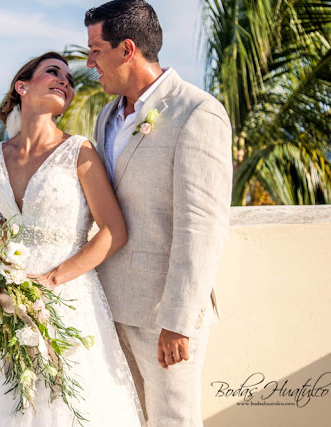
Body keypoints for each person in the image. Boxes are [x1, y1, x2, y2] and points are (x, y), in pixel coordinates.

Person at [0, 52, 145, 426]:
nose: (65, 80)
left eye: (68, 78)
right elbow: (11, 230)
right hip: (12, 299)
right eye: (53, 72)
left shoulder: (79, 151)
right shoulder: (0, 155)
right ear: (22, 86)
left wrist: (52, 280)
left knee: (70, 403)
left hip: (67, 296)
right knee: (10, 399)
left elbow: (114, 231)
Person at [84, 1, 233, 426]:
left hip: (164, 317)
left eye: (96, 50)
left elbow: (201, 226)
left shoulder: (197, 112)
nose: (90, 63)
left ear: (126, 49)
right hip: (109, 307)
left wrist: (178, 321)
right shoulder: (106, 116)